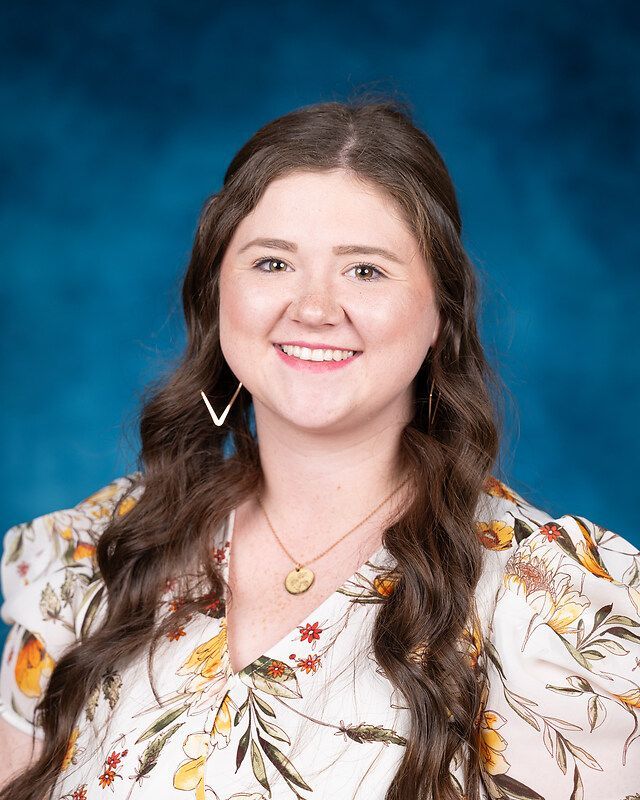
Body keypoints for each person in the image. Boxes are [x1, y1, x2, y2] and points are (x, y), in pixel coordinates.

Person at [1, 98, 638, 800]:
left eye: (365, 270)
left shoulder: (559, 609)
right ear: (218, 295)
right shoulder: (101, 554)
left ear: (440, 314)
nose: (312, 307)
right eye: (272, 262)